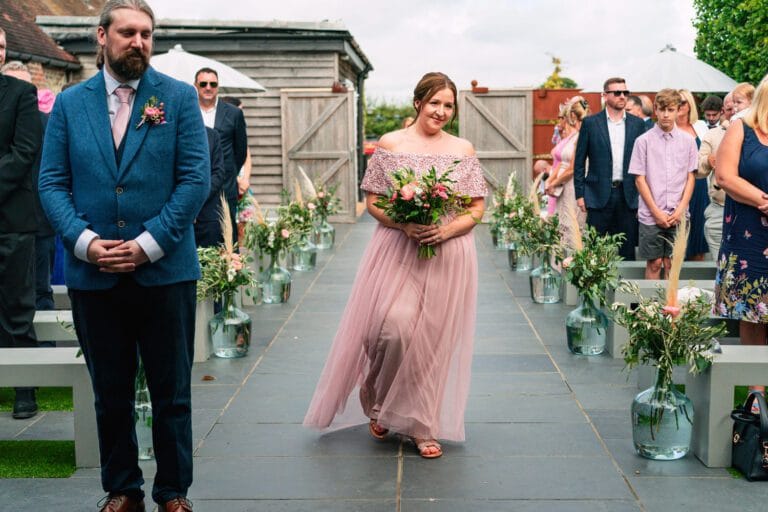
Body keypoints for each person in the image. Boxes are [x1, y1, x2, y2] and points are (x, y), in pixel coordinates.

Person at [38, 1, 209, 511]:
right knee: (108, 392)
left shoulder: (176, 99)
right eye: (128, 32)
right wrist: (85, 243)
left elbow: (194, 180)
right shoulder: (70, 105)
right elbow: (51, 182)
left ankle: (173, 492)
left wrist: (147, 244)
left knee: (172, 392)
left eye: (147, 34)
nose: (139, 42)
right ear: (101, 36)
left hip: (165, 272)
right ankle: (122, 489)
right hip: (96, 276)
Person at [304, 72, 487, 459]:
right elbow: (373, 202)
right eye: (434, 102)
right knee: (390, 330)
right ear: (418, 102)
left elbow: (476, 208)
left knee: (431, 343)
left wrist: (446, 229)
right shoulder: (392, 144)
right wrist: (404, 221)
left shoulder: (463, 149)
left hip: (448, 253)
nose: (440, 111)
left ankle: (422, 426)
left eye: (448, 105)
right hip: (397, 248)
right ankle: (378, 394)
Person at [713, 74, 768, 410]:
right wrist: (764, 201)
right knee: (752, 315)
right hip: (749, 237)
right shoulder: (742, 128)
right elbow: (724, 175)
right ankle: (756, 398)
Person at [0, 29, 44, 420]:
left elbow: (24, 152)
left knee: (17, 305)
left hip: (12, 219)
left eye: (0, 47)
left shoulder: (19, 94)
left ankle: (25, 389)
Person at [2, 62, 57, 319]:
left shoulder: (47, 122)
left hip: (35, 218)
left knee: (38, 293)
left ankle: (42, 351)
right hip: (17, 216)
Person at [573, 77, 647, 260]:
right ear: (605, 96)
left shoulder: (637, 124)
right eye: (617, 93)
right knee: (594, 250)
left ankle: (625, 289)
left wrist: (642, 197)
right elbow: (579, 161)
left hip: (628, 195)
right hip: (597, 195)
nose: (622, 96)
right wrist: (580, 194)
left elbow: (645, 162)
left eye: (625, 93)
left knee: (627, 251)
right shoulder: (591, 123)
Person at [629, 89, 697, 279]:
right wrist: (656, 212)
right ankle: (651, 308)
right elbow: (639, 179)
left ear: (678, 111)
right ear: (655, 111)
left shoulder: (689, 141)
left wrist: (681, 209)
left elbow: (691, 177)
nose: (666, 114)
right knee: (654, 263)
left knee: (671, 264)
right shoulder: (643, 141)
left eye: (671, 109)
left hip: (679, 212)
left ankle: (670, 307)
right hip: (651, 214)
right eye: (662, 109)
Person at [195, 68, 247, 244]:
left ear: (218, 87)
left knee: (228, 235)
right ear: (196, 86)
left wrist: (230, 173)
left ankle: (231, 270)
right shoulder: (188, 111)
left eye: (213, 84)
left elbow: (240, 150)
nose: (208, 87)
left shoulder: (233, 113)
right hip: (195, 184)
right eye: (203, 84)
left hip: (225, 187)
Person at [545, 96, 588, 246]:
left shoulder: (581, 137)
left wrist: (553, 183)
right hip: (565, 188)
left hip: (573, 187)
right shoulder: (573, 137)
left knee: (574, 227)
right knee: (563, 226)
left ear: (573, 116)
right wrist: (551, 181)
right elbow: (563, 162)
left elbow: (572, 168)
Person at [697, 92, 736, 259]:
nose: (735, 111)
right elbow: (697, 170)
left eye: (739, 106)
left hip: (753, 210)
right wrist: (707, 160)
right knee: (721, 266)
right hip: (720, 207)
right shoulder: (713, 135)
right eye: (730, 108)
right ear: (724, 110)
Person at [677, 89, 710, 261]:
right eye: (675, 102)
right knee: (678, 233)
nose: (679, 106)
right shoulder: (667, 127)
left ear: (690, 105)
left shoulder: (700, 126)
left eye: (682, 102)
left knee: (698, 232)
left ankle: (695, 285)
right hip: (676, 185)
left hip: (699, 184)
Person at [194, 127, 227, 248]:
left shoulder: (212, 135)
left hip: (207, 217)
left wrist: (196, 200)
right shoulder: (171, 133)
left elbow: (218, 173)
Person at [219, 96, 253, 199]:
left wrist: (245, 179)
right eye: (240, 109)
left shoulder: (239, 126)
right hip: (226, 178)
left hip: (241, 178)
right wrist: (236, 178)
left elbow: (246, 154)